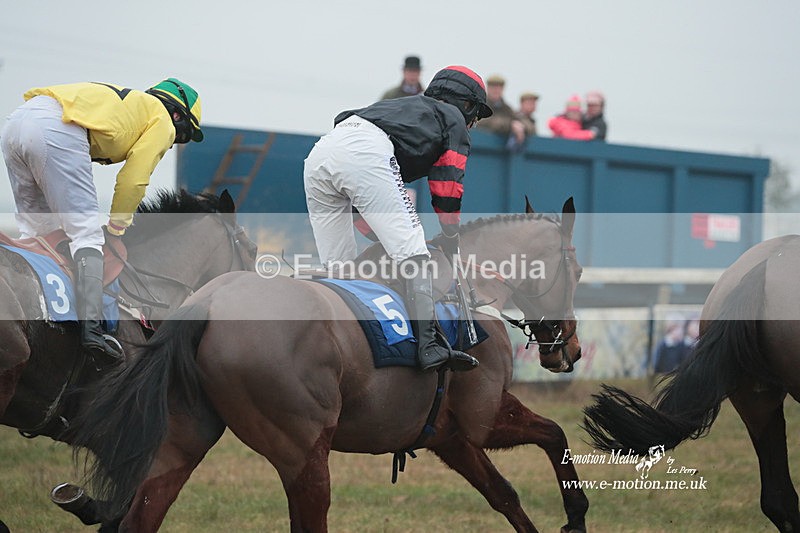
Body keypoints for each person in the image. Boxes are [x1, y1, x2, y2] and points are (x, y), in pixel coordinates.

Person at [0, 78, 203, 366]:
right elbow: (134, 181)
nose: (172, 144)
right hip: (56, 130)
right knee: (88, 236)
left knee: (40, 234)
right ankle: (92, 332)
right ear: (177, 116)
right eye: (181, 136)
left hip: (16, 123)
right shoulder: (162, 121)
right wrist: (117, 228)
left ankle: (34, 311)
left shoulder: (134, 108)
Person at [304, 65, 493, 373]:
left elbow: (365, 201)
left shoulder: (399, 109)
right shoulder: (453, 118)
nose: (472, 123)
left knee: (338, 267)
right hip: (365, 152)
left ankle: (329, 346)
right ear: (466, 104)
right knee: (415, 252)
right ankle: (430, 346)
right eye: (476, 114)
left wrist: (383, 234)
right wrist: (449, 235)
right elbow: (448, 185)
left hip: (321, 153)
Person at [475, 75, 525, 144]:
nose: (496, 90)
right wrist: (510, 125)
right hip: (479, 143)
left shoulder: (507, 109)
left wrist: (520, 127)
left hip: (501, 149)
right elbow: (479, 123)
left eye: (499, 87)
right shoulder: (481, 105)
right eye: (493, 87)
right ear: (488, 88)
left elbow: (521, 122)